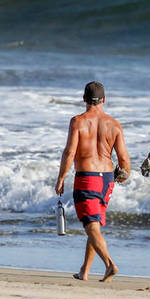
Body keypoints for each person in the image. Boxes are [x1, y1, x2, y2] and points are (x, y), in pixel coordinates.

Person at [54, 81, 130, 282]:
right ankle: (84, 271)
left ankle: (109, 264)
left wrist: (61, 178)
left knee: (91, 225)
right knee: (94, 224)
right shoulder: (114, 124)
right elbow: (124, 159)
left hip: (87, 178)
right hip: (106, 179)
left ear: (84, 99)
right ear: (104, 99)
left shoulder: (78, 121)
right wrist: (124, 175)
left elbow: (70, 152)